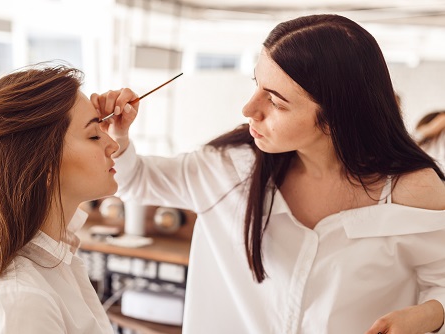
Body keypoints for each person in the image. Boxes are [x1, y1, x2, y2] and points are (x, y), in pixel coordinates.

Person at [92, 14, 445, 334]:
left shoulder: (413, 192)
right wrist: (118, 137)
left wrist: (431, 314)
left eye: (275, 101)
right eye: (256, 83)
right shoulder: (228, 168)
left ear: (337, 117)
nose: (248, 109)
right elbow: (134, 180)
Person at [0, 64, 119, 334]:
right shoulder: (22, 303)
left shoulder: (58, 256)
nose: (114, 144)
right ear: (45, 165)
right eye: (95, 135)